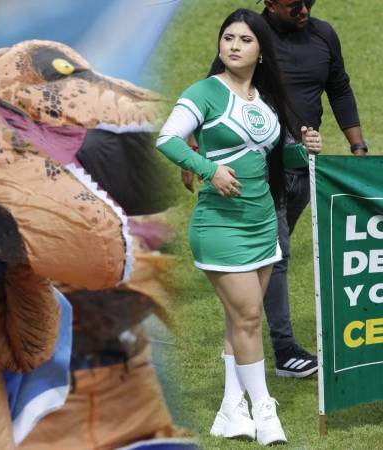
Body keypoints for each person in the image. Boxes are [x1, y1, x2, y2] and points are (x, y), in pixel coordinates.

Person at [156, 9, 322, 445]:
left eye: (244, 40)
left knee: (237, 322)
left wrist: (305, 150)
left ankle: (231, 410)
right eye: (228, 37)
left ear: (261, 50)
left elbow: (274, 158)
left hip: (263, 223)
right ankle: (265, 411)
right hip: (219, 227)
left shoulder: (266, 100)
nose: (233, 45)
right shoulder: (205, 92)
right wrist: (208, 169)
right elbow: (168, 138)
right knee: (249, 316)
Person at [258, 0, 368, 378]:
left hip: (304, 166)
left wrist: (358, 146)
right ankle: (284, 350)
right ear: (270, 3)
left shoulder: (323, 35)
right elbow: (215, 86)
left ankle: (244, 321)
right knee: (278, 255)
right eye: (293, 5)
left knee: (268, 259)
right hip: (261, 167)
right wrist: (193, 142)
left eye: (309, 1)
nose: (303, 9)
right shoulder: (250, 34)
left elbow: (339, 89)